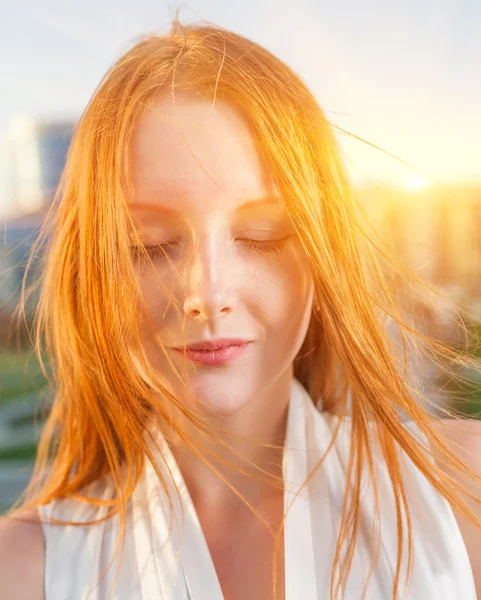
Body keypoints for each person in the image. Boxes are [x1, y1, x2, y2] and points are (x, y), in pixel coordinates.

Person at [1, 18, 480, 600]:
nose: (207, 291)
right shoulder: (24, 568)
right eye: (146, 244)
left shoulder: (463, 487)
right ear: (93, 274)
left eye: (262, 233)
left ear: (321, 254)